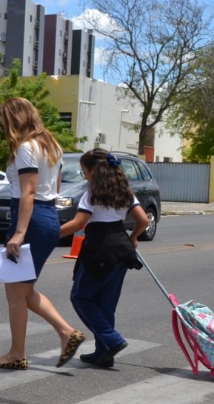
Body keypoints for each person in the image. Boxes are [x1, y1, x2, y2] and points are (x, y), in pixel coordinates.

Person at [0, 97, 86, 370]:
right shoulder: (50, 145)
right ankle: (66, 333)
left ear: (15, 118)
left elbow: (28, 191)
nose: (1, 125)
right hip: (48, 216)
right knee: (24, 290)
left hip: (30, 219)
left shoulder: (26, 148)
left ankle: (17, 353)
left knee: (15, 293)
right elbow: (56, 184)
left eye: (3, 119)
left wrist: (19, 233)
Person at [59, 149, 149, 368]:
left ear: (92, 171)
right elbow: (144, 220)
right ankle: (103, 353)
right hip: (122, 250)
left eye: (84, 172)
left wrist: (50, 233)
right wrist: (134, 237)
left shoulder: (92, 193)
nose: (85, 175)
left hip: (99, 249)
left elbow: (79, 224)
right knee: (106, 304)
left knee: (81, 297)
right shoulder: (125, 191)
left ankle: (111, 339)